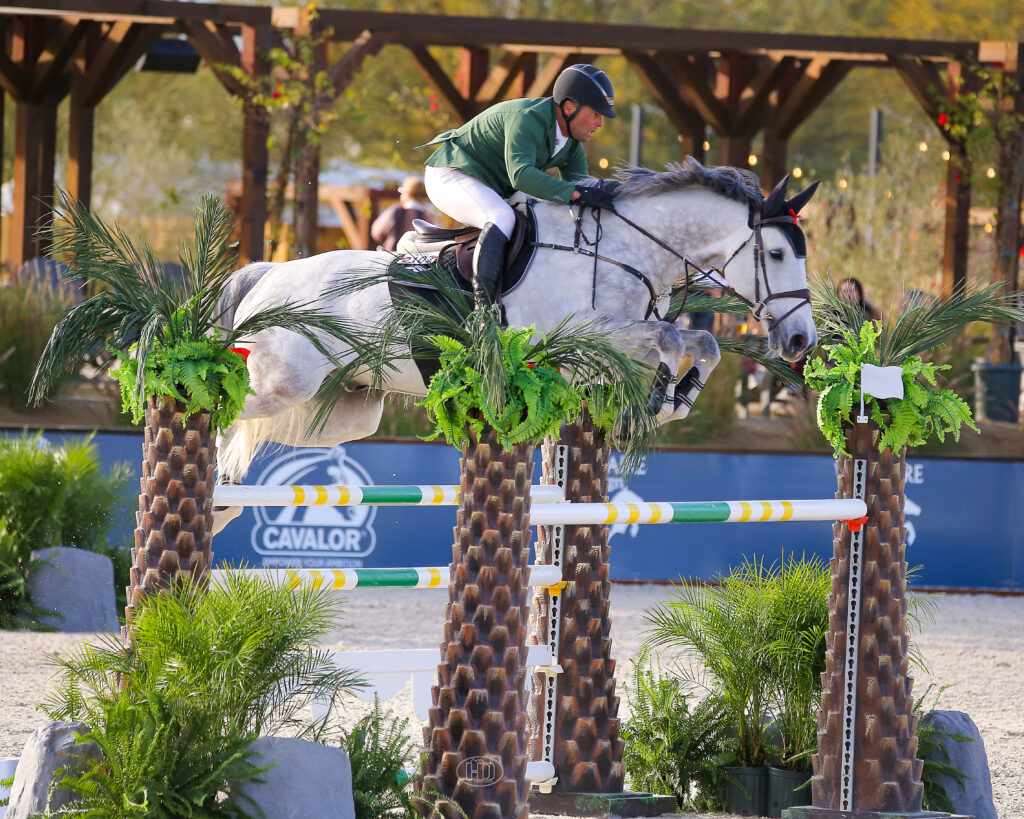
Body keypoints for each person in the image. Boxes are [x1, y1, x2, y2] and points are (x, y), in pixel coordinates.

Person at [420, 64, 619, 304]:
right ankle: (485, 311)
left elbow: (582, 188)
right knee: (502, 217)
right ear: (568, 108)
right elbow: (521, 176)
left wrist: (611, 197)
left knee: (538, 219)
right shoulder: (528, 118)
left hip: (489, 186)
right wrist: (576, 193)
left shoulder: (572, 145)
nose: (600, 123)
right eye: (596, 114)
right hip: (451, 174)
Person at [371, 176, 430, 252]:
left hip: (393, 254)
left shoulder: (397, 210)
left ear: (407, 194)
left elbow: (377, 232)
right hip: (417, 257)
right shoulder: (427, 218)